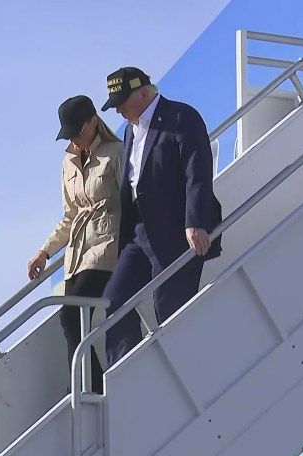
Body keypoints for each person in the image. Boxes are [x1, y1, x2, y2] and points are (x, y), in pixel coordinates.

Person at [99, 67, 222, 367]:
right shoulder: (130, 130)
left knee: (169, 307)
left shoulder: (181, 117)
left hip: (175, 233)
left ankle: (175, 373)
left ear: (143, 93)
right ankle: (126, 371)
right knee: (115, 298)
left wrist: (195, 221)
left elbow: (198, 174)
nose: (117, 109)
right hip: (139, 234)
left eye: (121, 101)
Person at [27, 95, 125, 395]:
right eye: (69, 136)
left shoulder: (116, 152)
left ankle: (87, 390)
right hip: (77, 254)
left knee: (72, 315)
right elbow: (70, 216)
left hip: (108, 243)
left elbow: (132, 201)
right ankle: (85, 389)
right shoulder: (68, 162)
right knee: (71, 322)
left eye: (78, 132)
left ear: (94, 121)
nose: (74, 140)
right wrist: (45, 251)